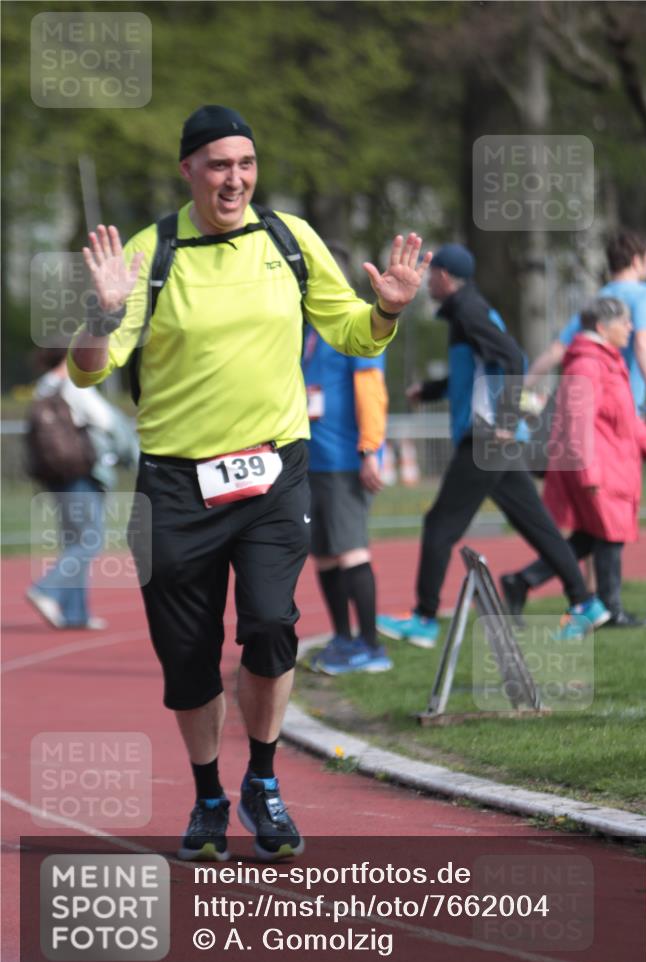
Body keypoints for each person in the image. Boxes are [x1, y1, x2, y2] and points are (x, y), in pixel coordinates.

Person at [68, 105, 431, 862]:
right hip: (174, 482)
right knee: (188, 655)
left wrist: (389, 310)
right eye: (217, 165)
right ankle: (208, 795)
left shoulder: (289, 239)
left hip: (273, 471)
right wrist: (99, 314)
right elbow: (89, 368)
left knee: (270, 623)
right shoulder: (151, 252)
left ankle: (263, 782)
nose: (234, 179)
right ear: (187, 172)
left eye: (245, 164)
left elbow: (351, 331)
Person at [377, 242, 610, 649]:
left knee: (438, 524)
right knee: (535, 524)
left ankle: (425, 619)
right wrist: (431, 389)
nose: (427, 281)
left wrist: (504, 420)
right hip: (495, 439)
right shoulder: (467, 311)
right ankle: (585, 601)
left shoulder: (468, 310)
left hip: (487, 439)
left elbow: (512, 360)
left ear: (444, 277)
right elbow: (480, 372)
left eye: (431, 275)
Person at [502, 298, 646, 628]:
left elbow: (624, 418)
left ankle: (522, 581)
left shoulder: (606, 361)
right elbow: (578, 423)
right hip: (598, 466)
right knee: (608, 534)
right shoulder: (588, 365)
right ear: (604, 328)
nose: (631, 329)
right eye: (625, 322)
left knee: (592, 537)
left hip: (610, 462)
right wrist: (590, 472)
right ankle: (610, 609)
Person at [302, 245, 391, 675]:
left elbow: (371, 391)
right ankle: (342, 639)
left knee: (351, 550)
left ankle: (371, 646)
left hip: (344, 456)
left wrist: (371, 450)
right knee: (323, 553)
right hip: (309, 458)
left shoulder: (355, 318)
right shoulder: (308, 328)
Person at [25, 346, 136, 630]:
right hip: (83, 473)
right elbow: (106, 421)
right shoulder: (75, 386)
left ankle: (76, 614)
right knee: (89, 540)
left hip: (57, 474)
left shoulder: (43, 387)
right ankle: (46, 589)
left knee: (74, 540)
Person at [525, 229, 646, 419]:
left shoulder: (596, 301)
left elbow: (556, 351)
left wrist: (522, 387)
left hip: (594, 412)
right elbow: (644, 342)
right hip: (626, 410)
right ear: (636, 261)